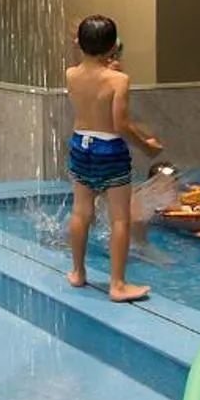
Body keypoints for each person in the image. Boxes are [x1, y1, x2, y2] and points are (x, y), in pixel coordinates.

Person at [64, 15, 164, 300]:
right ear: (112, 47)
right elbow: (120, 124)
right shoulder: (118, 79)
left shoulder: (71, 74)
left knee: (81, 212)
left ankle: (78, 272)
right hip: (109, 148)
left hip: (80, 145)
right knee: (120, 218)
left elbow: (87, 64)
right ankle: (118, 285)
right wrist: (147, 146)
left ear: (80, 44)